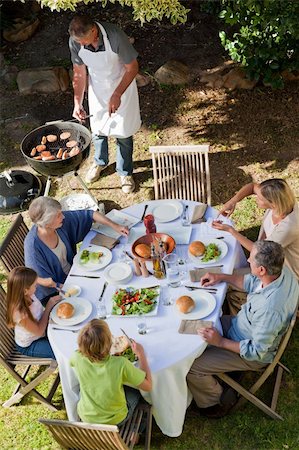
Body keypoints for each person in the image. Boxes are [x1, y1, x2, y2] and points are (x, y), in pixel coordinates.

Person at [187, 240, 299, 419]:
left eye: (251, 259)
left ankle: (214, 403)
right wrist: (221, 277)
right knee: (195, 326)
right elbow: (250, 282)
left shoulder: (270, 310)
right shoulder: (281, 272)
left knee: (192, 367)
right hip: (240, 325)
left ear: (262, 269)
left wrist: (221, 342)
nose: (247, 260)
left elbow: (257, 351)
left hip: (249, 350)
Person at [68, 14, 141, 193]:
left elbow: (133, 68)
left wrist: (117, 94)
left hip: (121, 84)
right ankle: (100, 162)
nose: (81, 45)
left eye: (84, 41)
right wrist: (77, 103)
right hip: (98, 88)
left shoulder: (115, 36)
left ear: (93, 31)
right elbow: (79, 72)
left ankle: (125, 172)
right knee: (98, 128)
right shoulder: (76, 40)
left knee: (123, 132)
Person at [213, 179, 299, 313]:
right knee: (227, 276)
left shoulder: (288, 227)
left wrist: (231, 230)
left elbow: (259, 251)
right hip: (266, 258)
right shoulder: (283, 203)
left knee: (228, 281)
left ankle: (242, 319)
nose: (256, 199)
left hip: (280, 273)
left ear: (273, 203)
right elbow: (252, 186)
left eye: (259, 199)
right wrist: (233, 201)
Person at [24, 197, 129, 299]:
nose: (63, 217)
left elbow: (90, 214)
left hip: (76, 272)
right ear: (47, 224)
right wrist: (64, 287)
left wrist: (114, 225)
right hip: (55, 293)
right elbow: (39, 280)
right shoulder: (33, 246)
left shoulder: (59, 223)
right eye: (58, 215)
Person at [70, 319, 152, 426]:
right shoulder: (121, 364)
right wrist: (141, 355)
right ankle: (136, 430)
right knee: (137, 392)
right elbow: (148, 386)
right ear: (109, 343)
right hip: (115, 419)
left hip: (87, 416)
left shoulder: (76, 357)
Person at [6, 266, 61, 359]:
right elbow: (39, 331)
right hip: (31, 344)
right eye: (35, 285)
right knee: (59, 351)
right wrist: (48, 307)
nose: (37, 286)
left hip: (43, 329)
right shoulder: (20, 314)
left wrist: (53, 284)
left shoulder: (27, 294)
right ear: (25, 290)